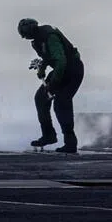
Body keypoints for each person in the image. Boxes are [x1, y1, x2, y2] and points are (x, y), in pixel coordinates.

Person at [18, 18, 85, 153]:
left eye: (26, 34)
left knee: (62, 102)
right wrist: (42, 69)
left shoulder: (50, 36)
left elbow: (60, 61)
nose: (26, 37)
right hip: (62, 70)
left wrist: (53, 83)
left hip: (73, 70)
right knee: (40, 98)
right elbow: (48, 58)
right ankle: (48, 135)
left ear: (30, 30)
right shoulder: (38, 40)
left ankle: (70, 143)